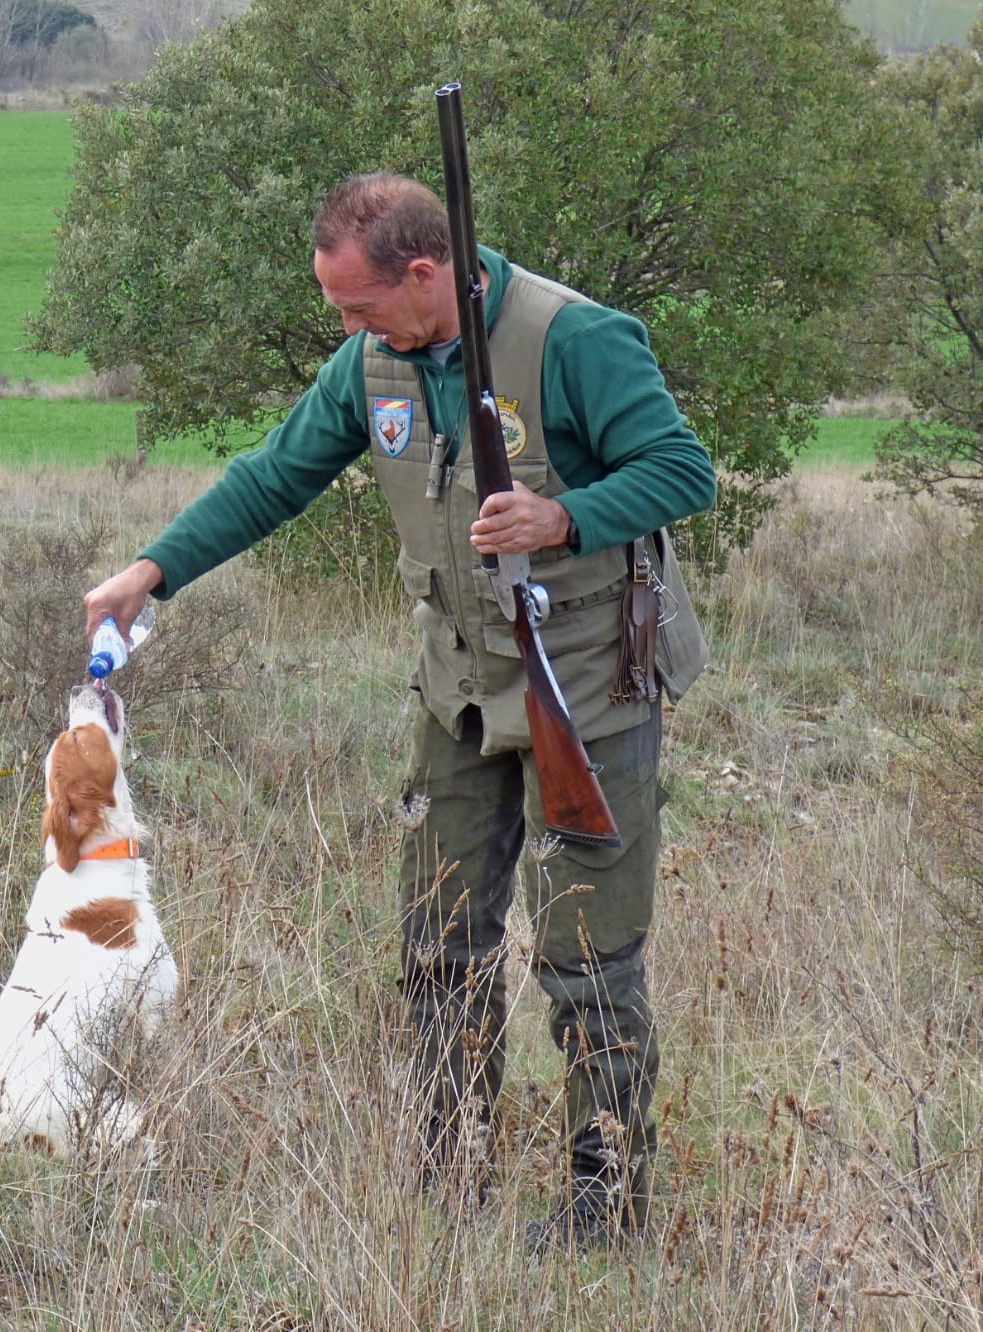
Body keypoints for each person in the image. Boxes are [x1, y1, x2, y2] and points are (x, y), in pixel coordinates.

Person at [83, 172, 717, 1249]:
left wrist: (563, 517)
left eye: (360, 305)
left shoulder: (574, 337)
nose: (348, 329)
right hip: (457, 691)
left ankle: (606, 1210)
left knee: (586, 959)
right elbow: (274, 476)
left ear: (425, 273)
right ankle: (450, 1176)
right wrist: (154, 570)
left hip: (587, 686)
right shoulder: (372, 361)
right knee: (438, 946)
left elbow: (682, 470)